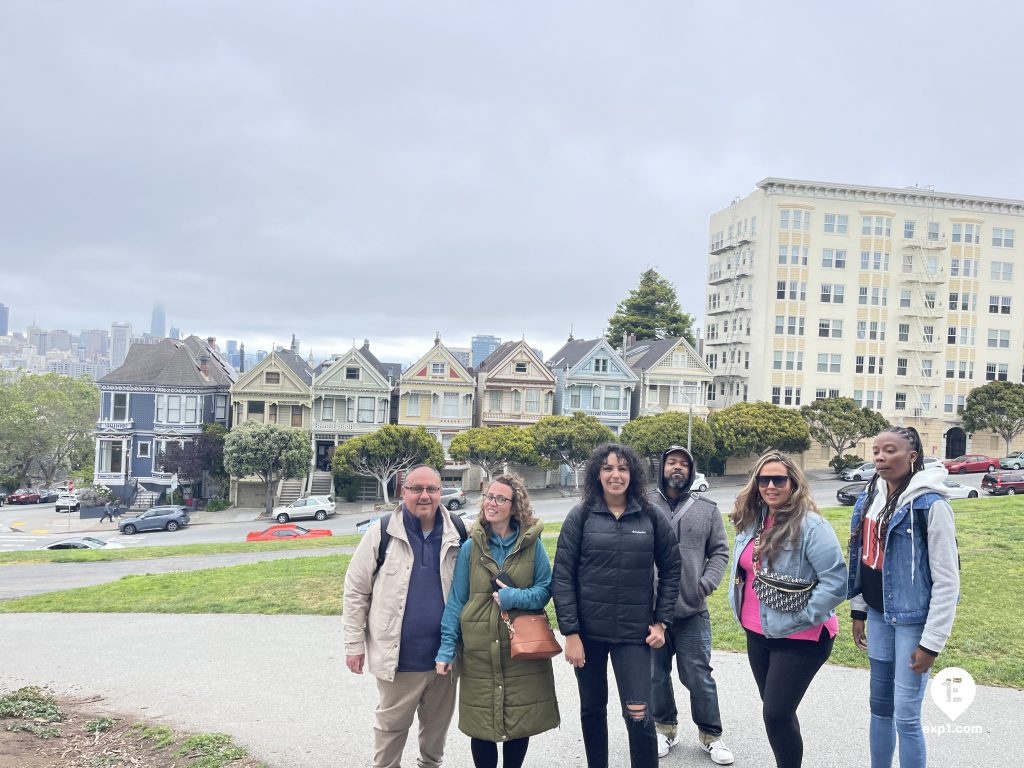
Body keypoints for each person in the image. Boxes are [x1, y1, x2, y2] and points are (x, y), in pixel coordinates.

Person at [552, 442, 682, 768]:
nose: (615, 475)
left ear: (632, 474)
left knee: (639, 713)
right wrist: (571, 633)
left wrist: (661, 621)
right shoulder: (580, 517)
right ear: (598, 474)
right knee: (593, 709)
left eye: (622, 468)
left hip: (634, 635)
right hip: (588, 637)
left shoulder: (650, 516)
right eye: (608, 468)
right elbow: (563, 577)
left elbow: (672, 569)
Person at [848, 426, 960, 768]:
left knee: (906, 715)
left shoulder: (931, 505)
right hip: (880, 618)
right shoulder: (870, 498)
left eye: (891, 450)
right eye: (877, 450)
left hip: (912, 623)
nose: (881, 457)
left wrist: (931, 644)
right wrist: (859, 609)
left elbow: (947, 581)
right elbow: (864, 558)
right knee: (879, 708)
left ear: (913, 457)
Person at [728, 451, 847, 768]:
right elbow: (743, 569)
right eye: (763, 480)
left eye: (778, 479)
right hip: (758, 631)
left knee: (776, 712)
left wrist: (803, 616)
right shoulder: (752, 521)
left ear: (793, 482)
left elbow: (836, 582)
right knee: (776, 712)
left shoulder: (811, 525)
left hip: (801, 635)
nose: (770, 486)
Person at [343, 465, 464, 768]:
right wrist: (354, 645)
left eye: (432, 489)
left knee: (435, 737)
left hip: (445, 661)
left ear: (440, 493)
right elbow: (356, 591)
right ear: (403, 492)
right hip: (399, 661)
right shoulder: (381, 533)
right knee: (390, 731)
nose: (424, 496)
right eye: (416, 489)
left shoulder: (460, 532)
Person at [435, 473, 558, 768]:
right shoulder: (470, 548)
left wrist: (514, 597)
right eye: (489, 496)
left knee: (519, 722)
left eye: (500, 498)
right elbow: (457, 600)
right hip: (480, 652)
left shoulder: (532, 545)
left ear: (515, 506)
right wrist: (447, 648)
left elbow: (545, 590)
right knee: (482, 726)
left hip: (521, 649)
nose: (492, 503)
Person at [647, 446, 733, 764]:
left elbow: (721, 551)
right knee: (656, 675)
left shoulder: (707, 509)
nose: (678, 468)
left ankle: (712, 736)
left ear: (692, 471)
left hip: (691, 610)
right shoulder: (643, 505)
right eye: (672, 463)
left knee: (698, 675)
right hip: (651, 611)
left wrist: (705, 584)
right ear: (663, 468)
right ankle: (664, 729)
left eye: (684, 464)